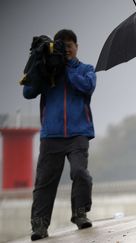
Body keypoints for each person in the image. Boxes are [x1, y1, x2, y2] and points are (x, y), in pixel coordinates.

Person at [23, 29, 96, 241]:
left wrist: (67, 68)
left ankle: (80, 213)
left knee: (80, 172)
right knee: (45, 182)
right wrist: (40, 66)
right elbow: (28, 93)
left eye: (70, 46)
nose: (67, 50)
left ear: (76, 47)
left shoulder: (85, 69)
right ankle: (39, 225)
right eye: (62, 46)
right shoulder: (48, 70)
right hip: (51, 135)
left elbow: (87, 86)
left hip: (79, 134)